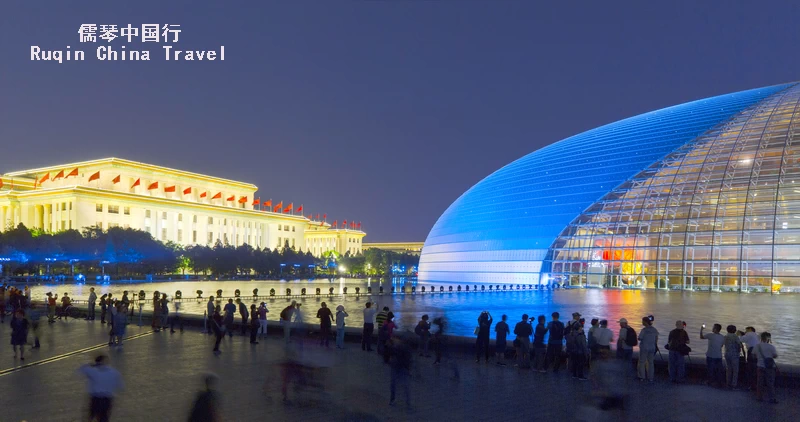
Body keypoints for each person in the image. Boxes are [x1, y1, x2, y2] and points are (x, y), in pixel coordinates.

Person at [78, 355, 124, 422]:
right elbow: (121, 386)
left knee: (90, 417)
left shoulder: (91, 371)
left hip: (95, 399)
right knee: (104, 417)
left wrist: (90, 365)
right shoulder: (114, 372)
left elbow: (80, 370)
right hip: (107, 399)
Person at [753, 332, 778, 403]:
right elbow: (775, 356)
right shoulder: (771, 347)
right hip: (770, 367)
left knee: (759, 383)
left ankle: (759, 397)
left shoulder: (757, 346)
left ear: (761, 338)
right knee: (770, 383)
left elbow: (753, 355)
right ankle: (772, 398)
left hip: (760, 366)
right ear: (769, 338)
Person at [389, 335, 412, 408]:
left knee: (394, 384)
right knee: (404, 386)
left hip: (397, 367)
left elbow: (391, 354)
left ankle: (393, 399)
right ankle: (407, 401)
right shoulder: (406, 348)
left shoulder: (398, 347)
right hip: (402, 368)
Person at [637, 316, 659, 382]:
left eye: (642, 321)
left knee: (642, 362)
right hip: (652, 347)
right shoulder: (654, 329)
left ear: (645, 322)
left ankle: (642, 377)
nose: (642, 322)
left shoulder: (644, 330)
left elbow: (640, 338)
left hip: (644, 347)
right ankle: (651, 377)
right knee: (651, 363)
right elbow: (656, 338)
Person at [724, 324, 744, 389]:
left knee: (728, 369)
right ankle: (734, 384)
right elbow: (740, 345)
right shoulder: (735, 336)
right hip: (734, 355)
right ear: (734, 330)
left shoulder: (726, 336)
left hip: (727, 353)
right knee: (735, 370)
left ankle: (728, 382)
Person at [741, 326, 759, 391]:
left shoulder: (750, 333)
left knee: (750, 367)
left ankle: (751, 385)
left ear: (750, 329)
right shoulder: (756, 335)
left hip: (751, 351)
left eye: (746, 330)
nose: (745, 332)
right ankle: (755, 385)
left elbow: (741, 340)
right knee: (755, 368)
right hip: (757, 352)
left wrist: (740, 335)